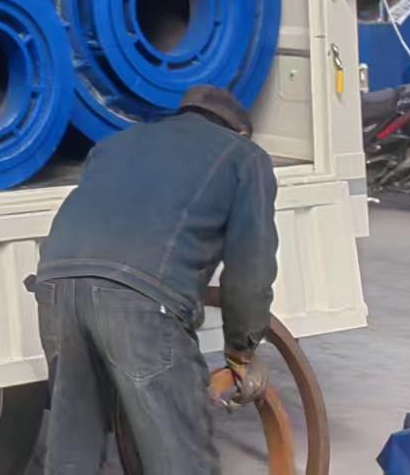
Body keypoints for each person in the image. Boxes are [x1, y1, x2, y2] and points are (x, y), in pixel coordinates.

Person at [30, 85, 278, 474]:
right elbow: (251, 267)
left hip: (55, 286)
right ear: (240, 131)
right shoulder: (245, 156)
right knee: (179, 456)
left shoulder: (117, 143)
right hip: (137, 300)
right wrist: (241, 352)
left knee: (72, 451)